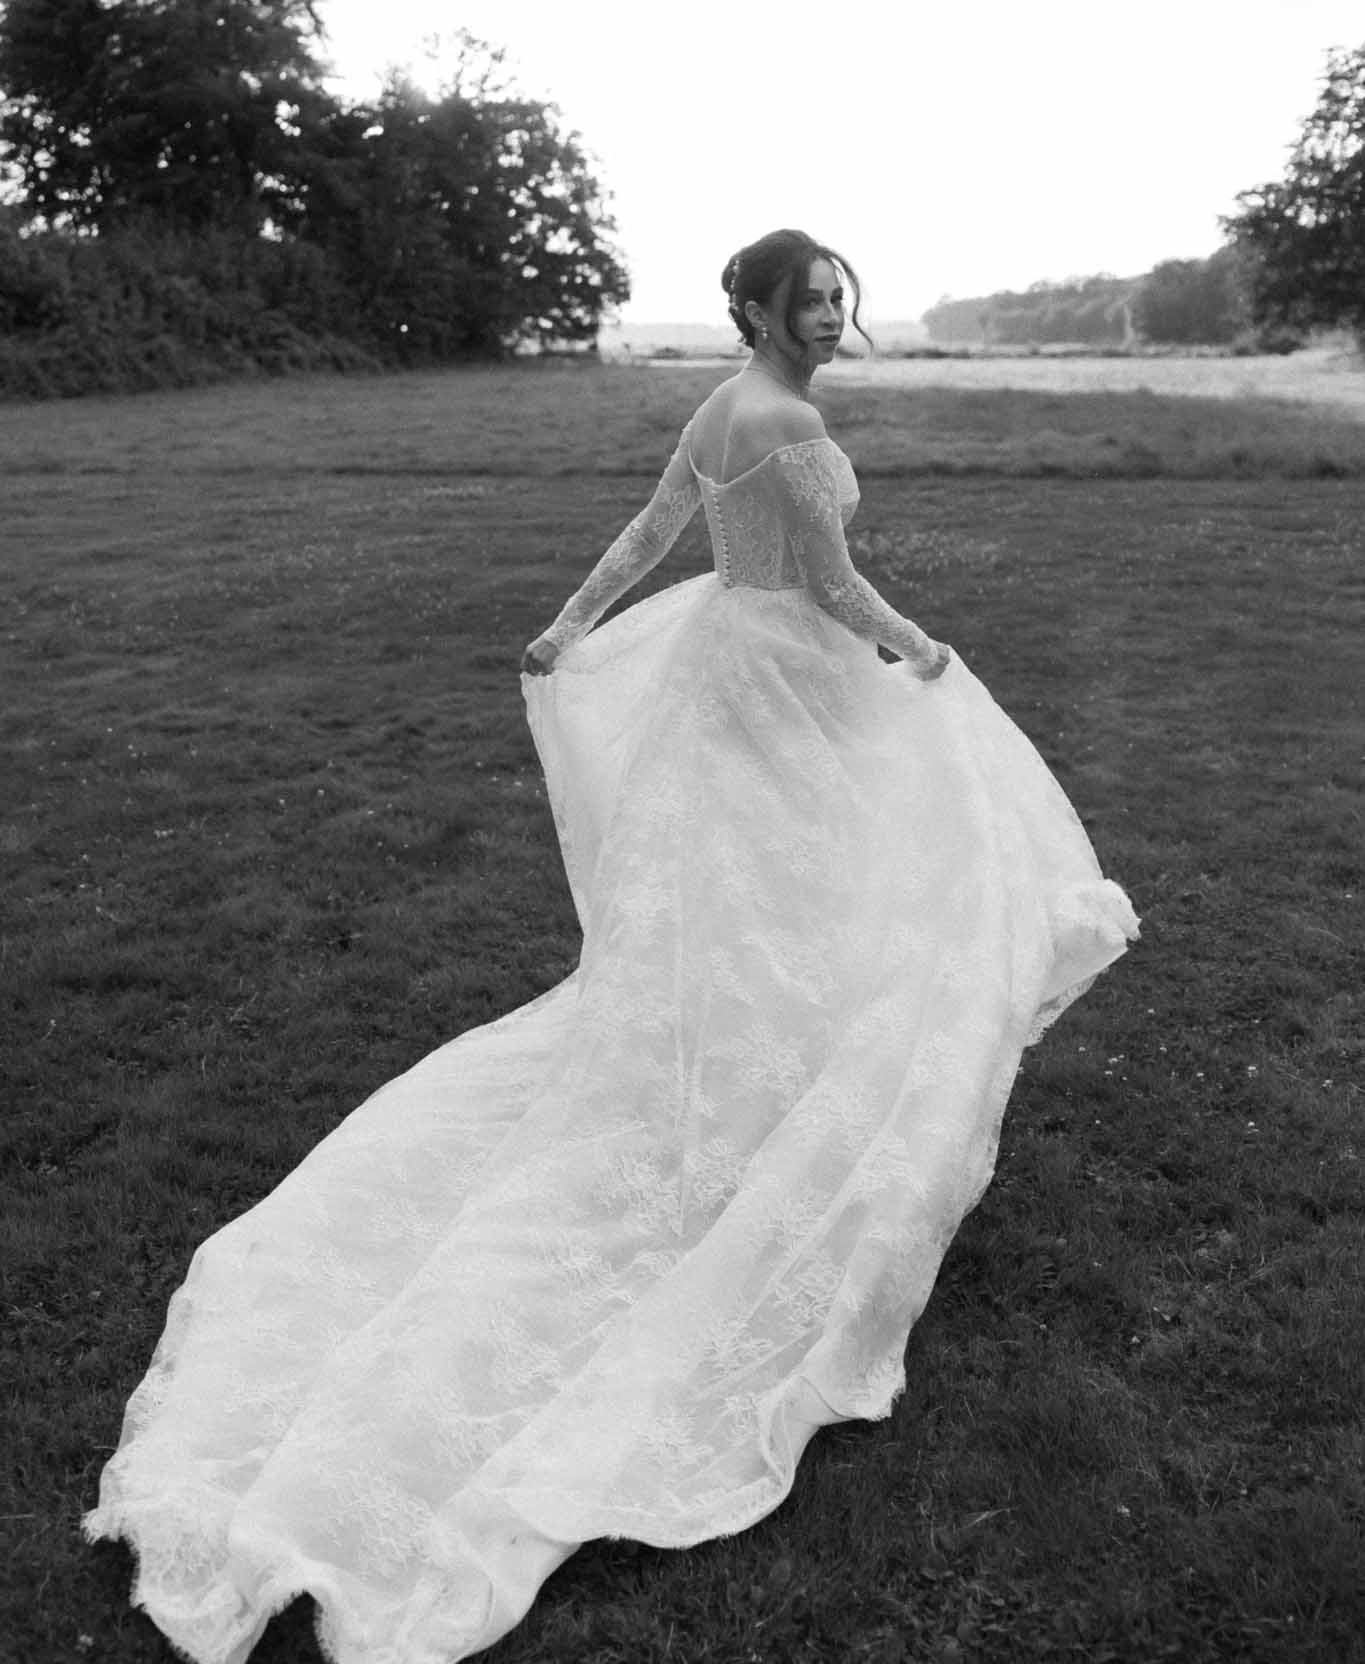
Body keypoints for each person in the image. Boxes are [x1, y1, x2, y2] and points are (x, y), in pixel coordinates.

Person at [84, 227, 1138, 1664]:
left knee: (754, 903)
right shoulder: (783, 423)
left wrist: (570, 622)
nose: (828, 316)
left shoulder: (717, 406)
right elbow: (834, 589)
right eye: (806, 300)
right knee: (831, 881)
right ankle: (791, 1087)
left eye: (837, 297)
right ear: (754, 308)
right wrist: (925, 653)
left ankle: (759, 1063)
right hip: (788, 668)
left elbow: (651, 534)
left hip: (724, 666)